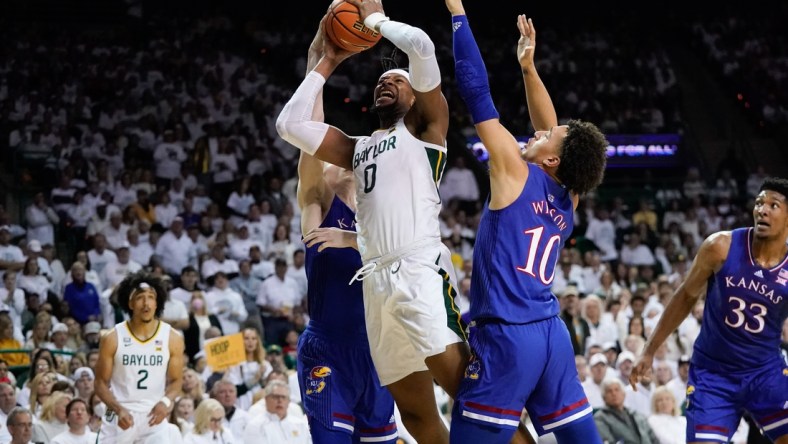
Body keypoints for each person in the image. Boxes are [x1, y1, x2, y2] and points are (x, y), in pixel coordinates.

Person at [276, 2, 469, 441]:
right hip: (376, 288)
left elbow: (419, 45)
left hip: (417, 269)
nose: (385, 81)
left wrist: (375, 21)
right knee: (418, 418)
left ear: (418, 97)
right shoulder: (356, 149)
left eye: (396, 81)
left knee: (468, 391)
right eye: (380, 80)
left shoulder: (425, 133)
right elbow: (290, 124)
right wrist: (328, 60)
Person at [444, 2, 607, 443]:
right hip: (550, 334)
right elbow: (551, 127)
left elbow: (475, 92)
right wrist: (528, 69)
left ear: (552, 158)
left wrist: (458, 11)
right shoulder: (568, 195)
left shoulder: (514, 171)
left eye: (548, 136)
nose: (539, 130)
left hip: (506, 334)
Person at [292, 23, 397, 444]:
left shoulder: (383, 217)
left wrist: (353, 240)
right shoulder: (318, 204)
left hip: (378, 353)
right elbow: (304, 128)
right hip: (327, 350)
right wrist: (321, 60)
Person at [631, 177, 788, 444]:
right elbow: (684, 297)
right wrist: (649, 350)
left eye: (774, 205)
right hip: (713, 375)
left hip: (765, 373)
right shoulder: (720, 247)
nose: (762, 209)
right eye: (760, 202)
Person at [94, 271, 185, 443]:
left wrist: (165, 402)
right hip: (121, 414)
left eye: (151, 297)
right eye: (140, 297)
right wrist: (117, 408)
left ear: (157, 303)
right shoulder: (112, 338)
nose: (146, 303)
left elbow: (176, 381)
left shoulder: (172, 338)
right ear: (130, 303)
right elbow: (99, 384)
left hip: (153, 415)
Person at [242, 381, 310, 444]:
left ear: (289, 401)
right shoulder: (255, 426)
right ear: (266, 399)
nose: (280, 400)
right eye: (275, 397)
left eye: (283, 397)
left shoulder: (300, 424)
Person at [593, 379, 658, 444]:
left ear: (623, 394)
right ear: (604, 397)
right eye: (609, 391)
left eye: (617, 390)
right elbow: (608, 441)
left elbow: (654, 439)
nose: (614, 394)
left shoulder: (638, 415)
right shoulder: (600, 419)